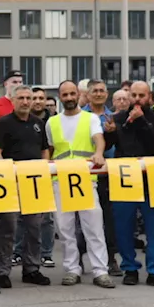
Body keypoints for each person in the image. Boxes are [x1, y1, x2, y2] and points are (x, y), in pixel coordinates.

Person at [47, 81, 116, 289]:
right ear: (60, 97)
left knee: (93, 226)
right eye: (64, 94)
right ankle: (71, 269)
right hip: (60, 180)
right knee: (65, 228)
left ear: (78, 95)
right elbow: (50, 150)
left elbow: (99, 139)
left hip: (85, 179)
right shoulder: (52, 122)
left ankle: (100, 271)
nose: (68, 97)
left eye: (72, 93)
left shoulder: (90, 118)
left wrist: (99, 153)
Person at [106, 82, 154, 288]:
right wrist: (109, 133)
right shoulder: (118, 118)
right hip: (124, 176)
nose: (136, 99)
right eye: (133, 95)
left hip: (150, 176)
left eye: (141, 95)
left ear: (150, 97)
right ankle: (130, 268)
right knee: (124, 226)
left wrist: (142, 121)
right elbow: (109, 146)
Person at [0, 85, 51, 288]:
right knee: (8, 227)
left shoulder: (38, 123)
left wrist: (45, 172)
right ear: (14, 101)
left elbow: (44, 150)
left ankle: (32, 269)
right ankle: (2, 271)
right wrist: (4, 171)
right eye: (22, 98)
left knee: (34, 227)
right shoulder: (4, 123)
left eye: (29, 98)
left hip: (34, 181)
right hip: (11, 181)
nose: (26, 102)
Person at [82, 79, 121, 275]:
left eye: (101, 91)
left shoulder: (113, 116)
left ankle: (111, 258)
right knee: (82, 216)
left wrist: (113, 132)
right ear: (87, 95)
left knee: (109, 217)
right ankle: (80, 258)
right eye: (94, 91)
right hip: (86, 172)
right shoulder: (80, 116)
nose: (98, 94)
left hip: (109, 172)